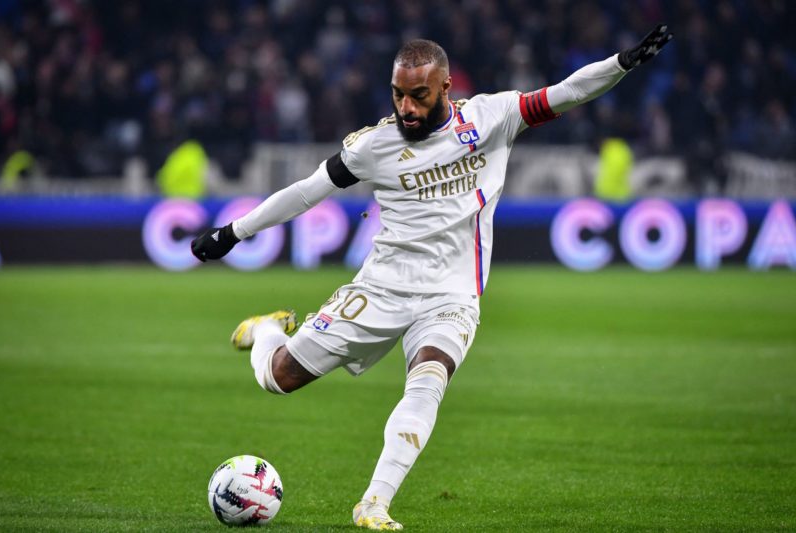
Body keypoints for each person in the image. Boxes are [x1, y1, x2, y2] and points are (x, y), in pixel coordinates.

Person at [191, 25, 672, 530]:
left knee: (427, 382)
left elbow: (568, 93)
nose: (407, 109)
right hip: (382, 287)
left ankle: (373, 504)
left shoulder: (492, 118)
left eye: (418, 96)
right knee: (278, 379)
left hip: (453, 294)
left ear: (446, 88)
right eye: (398, 95)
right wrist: (232, 232)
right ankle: (267, 331)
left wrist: (621, 62)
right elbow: (307, 191)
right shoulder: (373, 146)